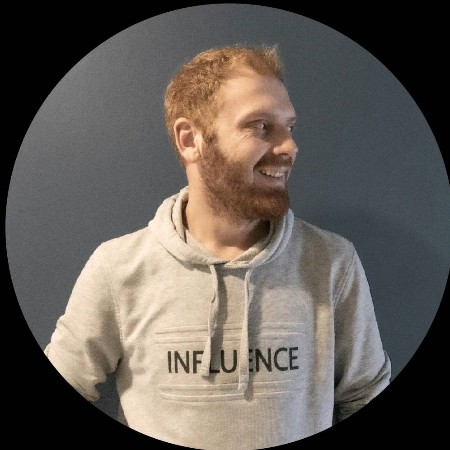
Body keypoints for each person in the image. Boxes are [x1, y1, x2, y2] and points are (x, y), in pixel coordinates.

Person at [44, 45, 391, 449]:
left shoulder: (330, 263)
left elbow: (365, 394)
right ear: (190, 140)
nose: (289, 147)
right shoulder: (118, 268)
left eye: (289, 127)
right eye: (261, 127)